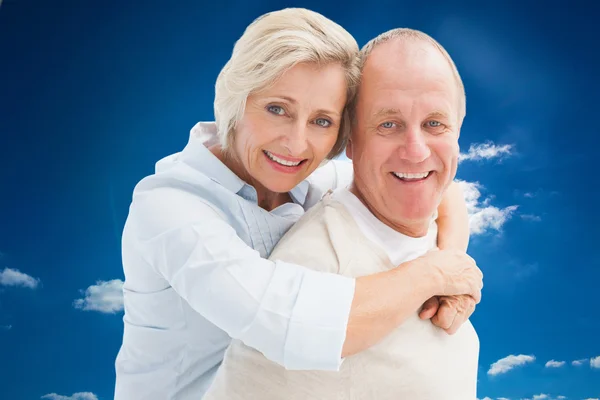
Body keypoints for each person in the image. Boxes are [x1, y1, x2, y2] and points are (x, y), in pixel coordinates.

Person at [114, 8, 482, 400]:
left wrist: (453, 269)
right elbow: (291, 325)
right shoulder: (170, 209)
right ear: (237, 99)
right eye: (277, 109)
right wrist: (435, 274)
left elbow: (436, 186)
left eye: (321, 121)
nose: (296, 143)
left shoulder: (306, 179)